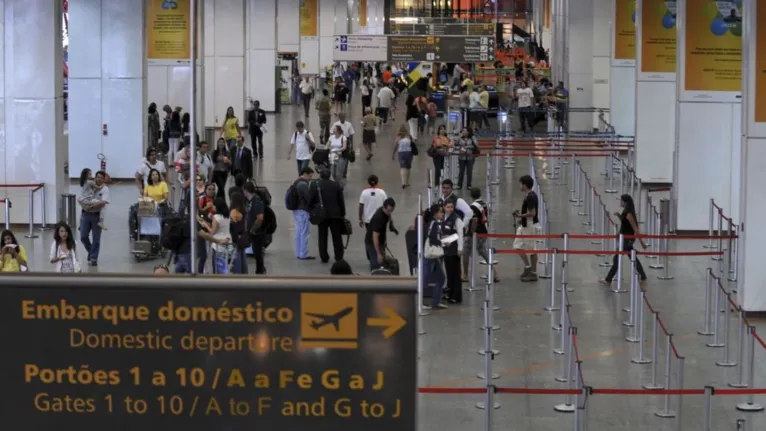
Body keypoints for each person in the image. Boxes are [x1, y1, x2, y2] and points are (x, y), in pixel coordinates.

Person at [600, 194, 648, 285]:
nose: (620, 202)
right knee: (632, 257)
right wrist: (618, 215)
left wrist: (642, 243)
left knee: (616, 258)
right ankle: (643, 275)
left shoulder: (629, 214)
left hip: (626, 240)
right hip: (625, 239)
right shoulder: (625, 212)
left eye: (621, 200)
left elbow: (635, 229)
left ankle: (608, 279)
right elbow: (624, 222)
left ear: (625, 202)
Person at [463, 187, 499, 282]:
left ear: (471, 195)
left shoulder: (473, 206)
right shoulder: (484, 204)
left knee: (466, 251)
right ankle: (494, 273)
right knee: (482, 250)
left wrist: (470, 232)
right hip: (484, 230)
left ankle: (465, 274)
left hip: (477, 232)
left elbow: (474, 220)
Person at [312, 168, 346, 264]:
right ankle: (339, 256)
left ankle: (324, 256)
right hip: (335, 214)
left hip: (322, 215)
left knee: (322, 236)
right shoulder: (336, 185)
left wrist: (313, 211)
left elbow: (312, 199)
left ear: (320, 175)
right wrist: (342, 213)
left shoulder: (317, 185)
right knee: (337, 236)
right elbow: (341, 200)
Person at [513, 175, 542, 281]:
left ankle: (533, 273)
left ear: (524, 185)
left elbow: (532, 213)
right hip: (525, 225)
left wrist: (520, 216)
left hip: (530, 226)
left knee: (532, 249)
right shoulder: (528, 195)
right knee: (518, 245)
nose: (519, 185)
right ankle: (527, 267)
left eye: (520, 183)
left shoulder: (530, 196)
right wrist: (522, 219)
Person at [78, 170, 109, 266]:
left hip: (96, 216)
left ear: (104, 179)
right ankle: (91, 251)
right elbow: (81, 198)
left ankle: (93, 257)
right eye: (97, 177)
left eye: (101, 178)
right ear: (95, 177)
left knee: (96, 238)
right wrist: (84, 206)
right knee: (83, 236)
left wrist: (91, 206)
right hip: (85, 214)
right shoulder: (88, 185)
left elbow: (103, 202)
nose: (99, 179)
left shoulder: (105, 189)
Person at [423, 204, 447, 309]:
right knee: (425, 278)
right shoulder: (434, 224)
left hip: (434, 256)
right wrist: (443, 243)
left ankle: (436, 301)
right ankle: (421, 302)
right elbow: (433, 239)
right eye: (441, 212)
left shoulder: (434, 223)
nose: (442, 214)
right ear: (436, 213)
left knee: (440, 277)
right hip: (430, 254)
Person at [441, 199, 464, 303]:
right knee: (449, 272)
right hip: (446, 250)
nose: (450, 209)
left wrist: (460, 249)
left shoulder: (457, 219)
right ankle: (449, 293)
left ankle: (456, 296)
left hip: (454, 250)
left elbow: (460, 234)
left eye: (451, 207)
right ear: (444, 207)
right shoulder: (442, 217)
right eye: (448, 207)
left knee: (455, 273)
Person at [365, 197, 397, 271]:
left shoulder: (386, 213)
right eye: (389, 210)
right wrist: (378, 253)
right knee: (377, 264)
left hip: (380, 241)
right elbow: (375, 236)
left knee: (382, 262)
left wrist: (391, 226)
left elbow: (389, 218)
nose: (390, 213)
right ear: (384, 207)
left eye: (391, 210)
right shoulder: (378, 218)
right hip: (372, 243)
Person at [291, 167, 315, 260]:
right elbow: (308, 198)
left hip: (297, 210)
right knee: (304, 232)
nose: (311, 178)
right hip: (303, 210)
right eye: (310, 175)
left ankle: (298, 252)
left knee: (298, 231)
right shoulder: (303, 184)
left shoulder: (296, 182)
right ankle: (304, 253)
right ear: (305, 174)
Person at [244, 182, 267, 274]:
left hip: (257, 232)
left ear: (246, 191)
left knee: (257, 252)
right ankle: (260, 269)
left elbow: (260, 218)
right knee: (255, 251)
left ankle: (260, 270)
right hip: (251, 231)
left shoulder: (257, 201)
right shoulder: (249, 201)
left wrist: (252, 230)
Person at [392, 124, 413, 189]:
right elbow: (412, 144)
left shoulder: (398, 137)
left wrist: (393, 154)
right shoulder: (409, 136)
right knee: (408, 167)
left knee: (403, 167)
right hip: (409, 153)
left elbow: (395, 146)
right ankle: (407, 182)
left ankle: (403, 182)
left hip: (401, 153)